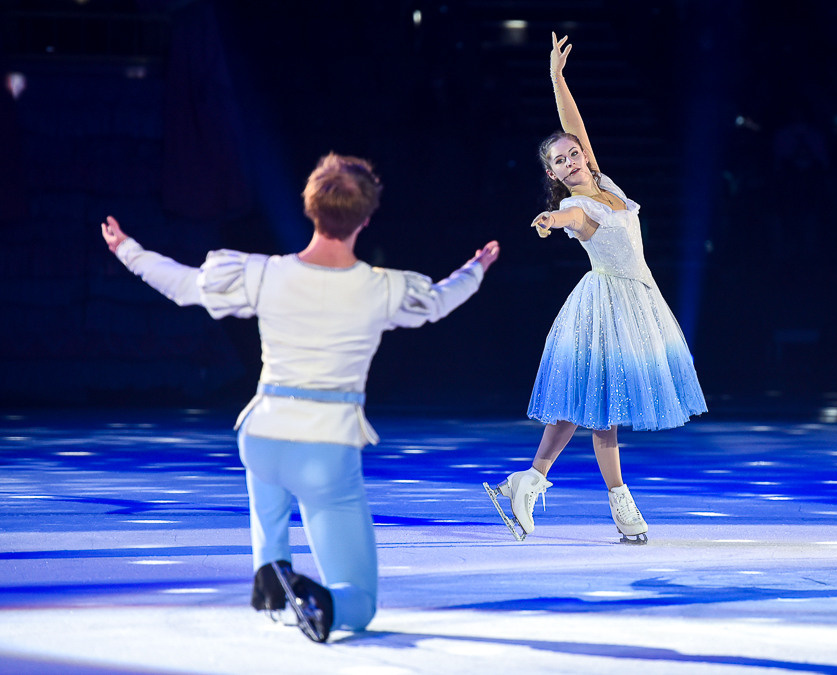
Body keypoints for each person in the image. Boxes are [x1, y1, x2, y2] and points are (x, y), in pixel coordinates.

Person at [102, 152, 500, 641]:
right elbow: (438, 301)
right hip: (325, 450)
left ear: (311, 207)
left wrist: (128, 250)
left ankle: (271, 572)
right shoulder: (382, 288)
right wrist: (474, 269)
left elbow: (184, 285)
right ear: (366, 218)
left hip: (263, 437)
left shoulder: (263, 273)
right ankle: (323, 601)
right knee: (360, 600)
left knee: (268, 473)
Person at [485, 33, 705, 544]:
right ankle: (621, 504)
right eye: (560, 161)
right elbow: (568, 218)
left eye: (573, 153)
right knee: (603, 409)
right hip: (604, 307)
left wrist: (556, 78)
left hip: (637, 302)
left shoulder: (605, 185)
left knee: (580, 405)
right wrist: (548, 220)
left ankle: (527, 482)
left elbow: (574, 125)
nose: (571, 160)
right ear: (553, 174)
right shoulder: (577, 206)